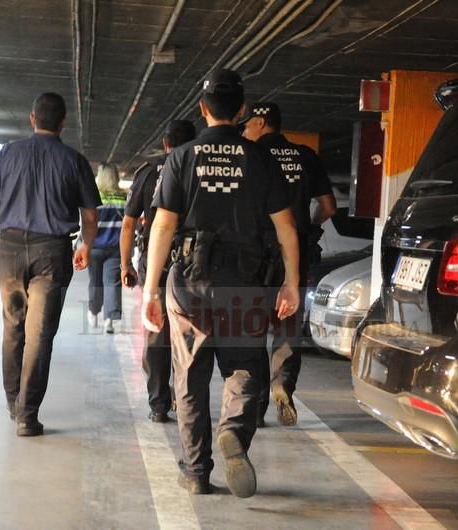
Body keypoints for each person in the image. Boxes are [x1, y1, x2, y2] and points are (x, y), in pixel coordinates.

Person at [141, 69, 300, 498]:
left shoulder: (181, 158)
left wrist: (150, 289)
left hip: (190, 282)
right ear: (243, 110)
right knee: (246, 367)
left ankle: (195, 472)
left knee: (190, 378)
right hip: (246, 282)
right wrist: (291, 282)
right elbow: (286, 227)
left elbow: (162, 227)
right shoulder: (261, 159)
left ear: (203, 109)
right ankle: (232, 431)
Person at [0, 92, 101, 437]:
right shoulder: (74, 161)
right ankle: (27, 416)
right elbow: (90, 214)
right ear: (63, 124)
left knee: (12, 327)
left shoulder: (8, 153)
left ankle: (13, 401)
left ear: (32, 119)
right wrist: (85, 245)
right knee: (39, 336)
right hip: (52, 252)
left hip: (10, 250)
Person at [241, 101, 336, 427]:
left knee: (252, 329)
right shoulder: (306, 156)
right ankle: (282, 383)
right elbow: (328, 206)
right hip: (298, 253)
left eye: (248, 123)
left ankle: (254, 406)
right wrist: (307, 227)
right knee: (287, 325)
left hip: (257, 255)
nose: (244, 129)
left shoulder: (251, 157)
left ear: (262, 123)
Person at [120, 119, 196, 423]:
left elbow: (129, 224)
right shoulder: (197, 169)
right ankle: (183, 397)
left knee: (156, 333)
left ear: (165, 143)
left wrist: (125, 265)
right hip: (191, 265)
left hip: (156, 264)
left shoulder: (149, 172)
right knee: (188, 333)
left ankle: (158, 404)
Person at [87, 163, 127, 333]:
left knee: (95, 282)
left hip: (94, 247)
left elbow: (87, 222)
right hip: (116, 248)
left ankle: (94, 312)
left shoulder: (93, 197)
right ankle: (109, 319)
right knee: (112, 282)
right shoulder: (123, 198)